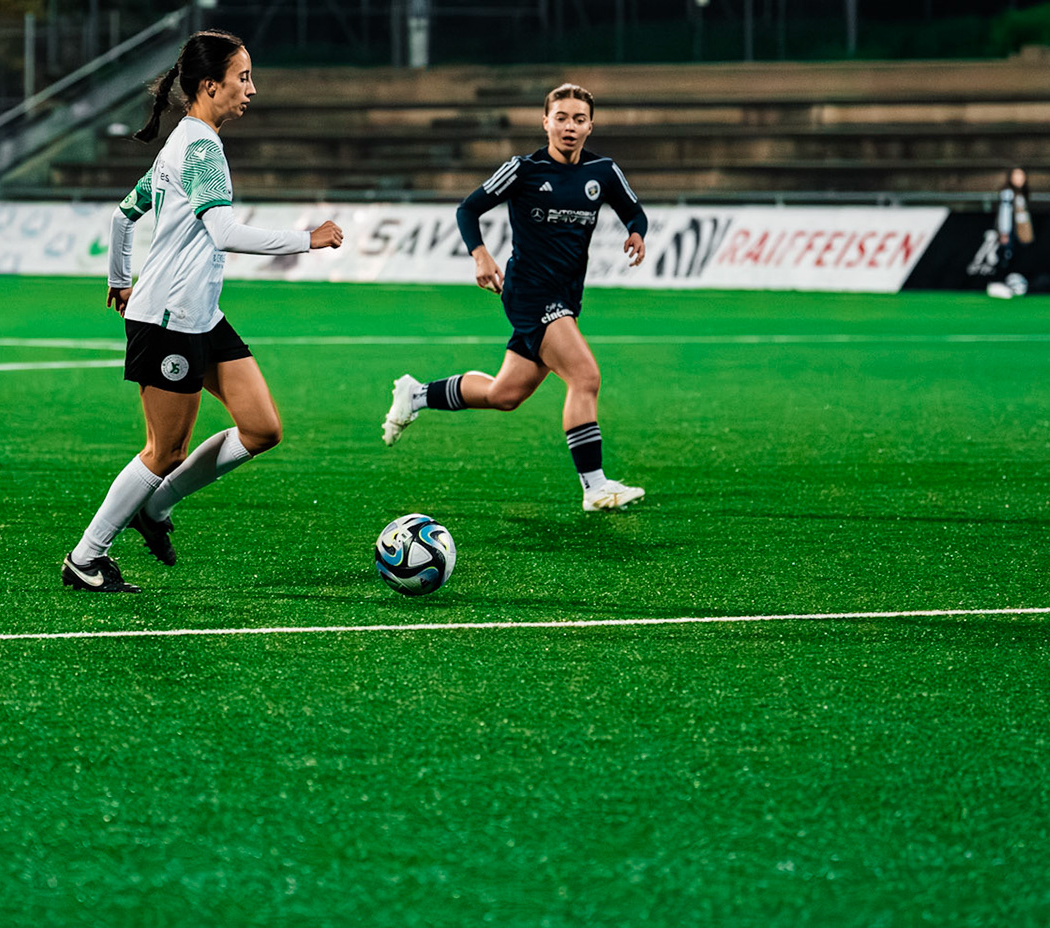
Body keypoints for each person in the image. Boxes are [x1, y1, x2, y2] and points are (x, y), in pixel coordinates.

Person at [62, 30, 344, 592]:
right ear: (211, 86)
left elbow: (125, 215)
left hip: (198, 313)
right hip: (169, 318)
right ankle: (86, 558)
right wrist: (305, 239)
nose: (252, 88)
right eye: (243, 78)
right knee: (165, 450)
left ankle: (155, 508)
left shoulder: (184, 142)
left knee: (261, 428)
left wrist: (121, 278)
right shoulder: (200, 149)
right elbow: (221, 231)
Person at [380, 83, 653, 512]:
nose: (569, 126)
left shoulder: (603, 172)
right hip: (528, 292)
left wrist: (637, 231)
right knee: (585, 377)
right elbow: (467, 209)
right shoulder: (523, 170)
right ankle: (595, 486)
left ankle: (417, 395)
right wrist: (481, 255)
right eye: (560, 117)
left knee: (504, 394)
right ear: (546, 122)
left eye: (578, 119)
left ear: (590, 126)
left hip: (565, 298)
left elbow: (634, 209)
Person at [986, 166, 1033, 299]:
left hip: (1018, 233)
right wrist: (1004, 232)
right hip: (1010, 232)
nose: (1019, 179)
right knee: (1005, 257)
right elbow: (1004, 214)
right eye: (1016, 176)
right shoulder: (1008, 193)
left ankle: (1010, 285)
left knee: (1014, 259)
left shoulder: (1021, 194)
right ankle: (997, 284)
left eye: (1021, 176)